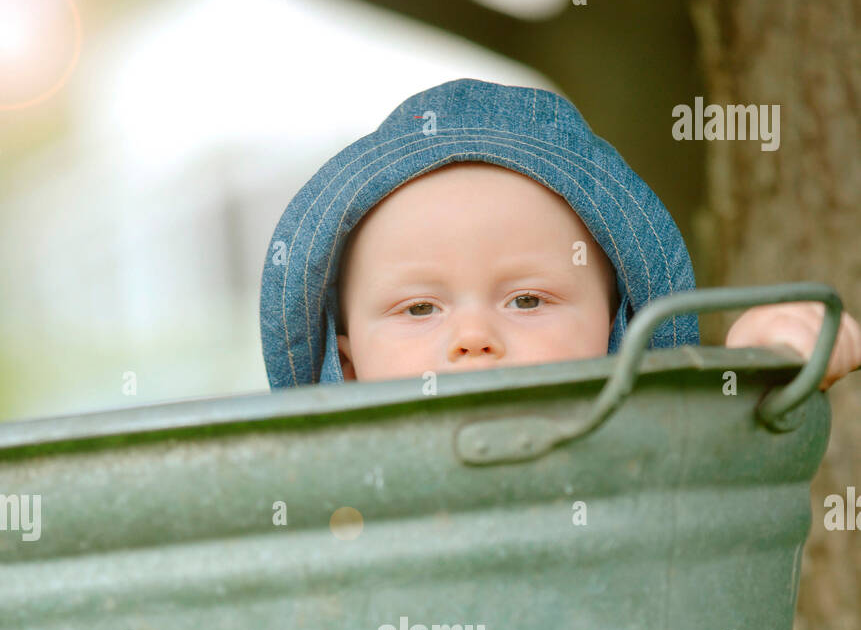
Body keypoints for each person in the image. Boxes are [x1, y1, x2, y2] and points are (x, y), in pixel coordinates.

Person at [260, 78, 861, 389]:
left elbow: (727, 447)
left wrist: (767, 353)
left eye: (527, 299)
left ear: (615, 335)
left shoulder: (656, 449)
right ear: (351, 367)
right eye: (419, 308)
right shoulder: (322, 493)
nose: (473, 337)